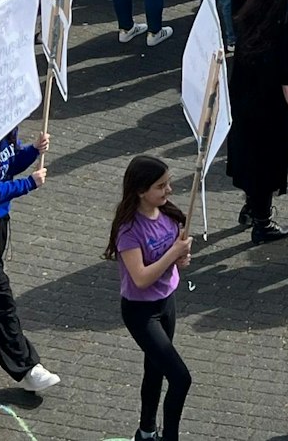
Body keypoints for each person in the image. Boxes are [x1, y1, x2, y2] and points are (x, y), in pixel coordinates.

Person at [109, 155, 195, 441]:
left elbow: (173, 259)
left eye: (168, 183)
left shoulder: (169, 215)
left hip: (166, 303)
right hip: (141, 312)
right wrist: (173, 253)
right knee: (181, 378)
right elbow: (141, 277)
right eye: (161, 186)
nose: (169, 190)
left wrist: (181, 258)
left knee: (155, 369)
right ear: (140, 190)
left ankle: (146, 431)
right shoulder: (129, 230)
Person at [0, 127, 60, 392]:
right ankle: (26, 367)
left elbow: (8, 164)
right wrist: (28, 184)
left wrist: (33, 151)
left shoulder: (3, 132)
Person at [229, 0, 288, 243]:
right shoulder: (279, 37)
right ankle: (262, 222)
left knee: (249, 162)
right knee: (266, 167)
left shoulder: (246, 27)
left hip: (244, 109)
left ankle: (251, 207)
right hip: (270, 114)